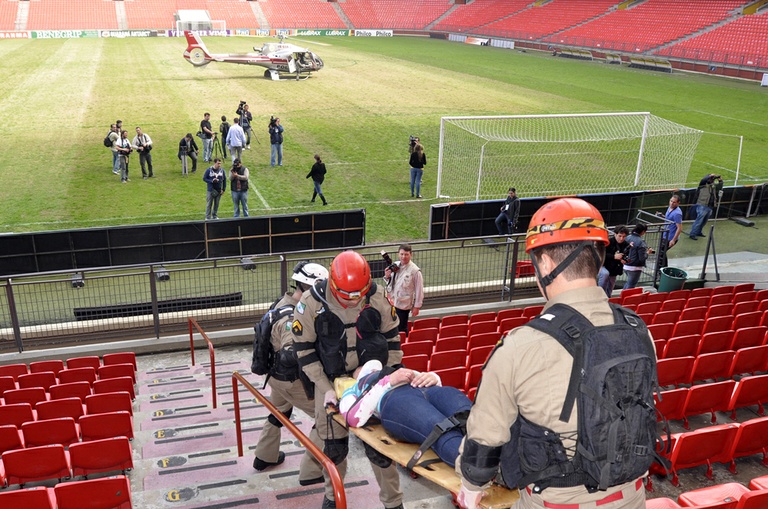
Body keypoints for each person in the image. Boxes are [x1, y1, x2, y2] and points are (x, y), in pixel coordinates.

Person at [456, 198, 649, 509]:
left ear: (545, 264)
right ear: (599, 256)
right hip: (633, 498)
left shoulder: (521, 346)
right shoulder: (638, 329)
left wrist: (470, 487)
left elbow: (485, 440)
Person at [292, 250, 404, 509]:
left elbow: (392, 340)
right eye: (347, 295)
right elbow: (304, 353)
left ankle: (394, 502)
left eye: (358, 295)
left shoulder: (377, 297)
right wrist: (325, 388)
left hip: (372, 382)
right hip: (329, 383)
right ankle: (333, 498)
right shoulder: (311, 304)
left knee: (381, 450)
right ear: (332, 283)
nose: (354, 301)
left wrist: (387, 377)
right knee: (334, 448)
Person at [252, 261, 329, 487]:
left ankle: (264, 456)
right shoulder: (293, 317)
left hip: (275, 378)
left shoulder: (282, 302)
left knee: (278, 413)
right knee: (327, 418)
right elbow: (290, 354)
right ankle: (310, 471)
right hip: (292, 381)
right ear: (308, 287)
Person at [338, 360, 471, 467]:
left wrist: (434, 377)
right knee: (439, 429)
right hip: (395, 399)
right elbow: (352, 418)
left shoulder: (397, 370)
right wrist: (386, 382)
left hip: (427, 389)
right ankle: (474, 467)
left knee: (469, 414)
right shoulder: (354, 388)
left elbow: (433, 383)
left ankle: (479, 456)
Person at [383, 243, 424, 337]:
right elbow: (390, 282)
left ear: (411, 255)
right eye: (401, 254)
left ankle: (404, 342)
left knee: (401, 328)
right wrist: (387, 276)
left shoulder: (415, 271)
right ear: (398, 254)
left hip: (403, 305)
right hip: (392, 302)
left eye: (406, 254)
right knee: (391, 327)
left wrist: (417, 306)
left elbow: (419, 290)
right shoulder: (395, 265)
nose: (403, 257)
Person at [597, 225, 629, 297]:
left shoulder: (626, 245)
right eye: (620, 236)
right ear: (615, 234)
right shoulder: (608, 242)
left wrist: (623, 260)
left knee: (610, 285)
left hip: (614, 268)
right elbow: (601, 254)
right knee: (605, 274)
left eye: (624, 237)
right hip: (603, 264)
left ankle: (607, 298)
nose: (621, 238)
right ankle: (600, 295)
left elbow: (626, 255)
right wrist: (613, 256)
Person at [689, 174, 723, 240]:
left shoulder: (713, 186)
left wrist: (720, 180)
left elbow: (720, 187)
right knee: (699, 221)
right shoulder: (702, 185)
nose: (712, 180)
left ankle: (698, 232)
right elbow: (704, 180)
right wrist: (710, 176)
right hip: (702, 205)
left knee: (704, 221)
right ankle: (692, 234)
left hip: (710, 206)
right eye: (711, 179)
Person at [622, 223, 653, 290]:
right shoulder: (641, 242)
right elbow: (642, 258)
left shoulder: (627, 237)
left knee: (629, 283)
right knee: (631, 285)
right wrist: (647, 253)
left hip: (625, 265)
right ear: (643, 231)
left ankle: (623, 295)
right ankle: (625, 296)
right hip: (635, 267)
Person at [659, 194, 682, 268]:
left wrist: (673, 240)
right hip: (665, 234)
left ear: (678, 203)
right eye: (671, 201)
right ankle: (663, 268)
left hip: (670, 237)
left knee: (661, 253)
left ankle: (663, 268)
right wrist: (662, 216)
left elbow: (679, 228)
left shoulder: (677, 214)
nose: (672, 203)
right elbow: (669, 219)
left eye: (674, 202)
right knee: (661, 252)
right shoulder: (670, 208)